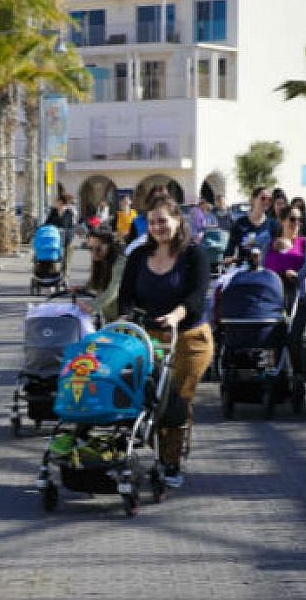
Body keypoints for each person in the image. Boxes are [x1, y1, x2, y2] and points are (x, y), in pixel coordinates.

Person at [117, 197, 213, 489]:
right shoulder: (139, 255)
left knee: (176, 398)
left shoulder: (194, 254)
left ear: (178, 220)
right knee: (147, 396)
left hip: (188, 338)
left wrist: (175, 315)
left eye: (163, 221)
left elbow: (197, 297)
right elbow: (125, 295)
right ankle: (154, 447)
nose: (158, 227)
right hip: (148, 337)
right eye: (152, 222)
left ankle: (171, 461)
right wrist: (125, 318)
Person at [265, 205, 306, 300]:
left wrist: (296, 277)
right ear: (281, 221)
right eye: (292, 219)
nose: (297, 223)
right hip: (271, 294)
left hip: (298, 295)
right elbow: (262, 267)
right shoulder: (269, 245)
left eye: (299, 219)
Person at [224, 187, 281, 265]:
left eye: (270, 200)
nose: (267, 202)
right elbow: (229, 252)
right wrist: (230, 260)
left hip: (267, 268)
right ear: (253, 200)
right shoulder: (239, 224)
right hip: (244, 268)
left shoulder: (274, 225)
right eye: (263, 198)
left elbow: (278, 252)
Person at [81, 226, 125, 323]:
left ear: (110, 245)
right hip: (108, 315)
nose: (93, 253)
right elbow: (94, 282)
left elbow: (113, 290)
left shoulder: (120, 262)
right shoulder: (102, 260)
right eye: (90, 248)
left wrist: (92, 306)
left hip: (122, 318)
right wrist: (81, 288)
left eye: (98, 248)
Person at [44, 193, 78, 275]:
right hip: (55, 238)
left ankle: (65, 277)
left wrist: (61, 229)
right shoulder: (53, 211)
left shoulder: (69, 212)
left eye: (56, 201)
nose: (54, 203)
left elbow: (67, 225)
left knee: (66, 260)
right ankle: (55, 276)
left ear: (61, 202)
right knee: (54, 258)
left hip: (68, 238)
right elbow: (47, 223)